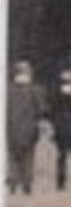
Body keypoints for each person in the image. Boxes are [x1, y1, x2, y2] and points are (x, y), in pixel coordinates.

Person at [8, 61, 47, 194]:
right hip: (29, 127)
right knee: (28, 156)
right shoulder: (35, 89)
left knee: (12, 156)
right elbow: (42, 109)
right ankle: (27, 183)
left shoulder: (8, 90)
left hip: (11, 127)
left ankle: (13, 182)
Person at [51, 67, 71, 191]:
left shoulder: (56, 94)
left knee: (61, 156)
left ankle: (61, 183)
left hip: (61, 127)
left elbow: (52, 111)